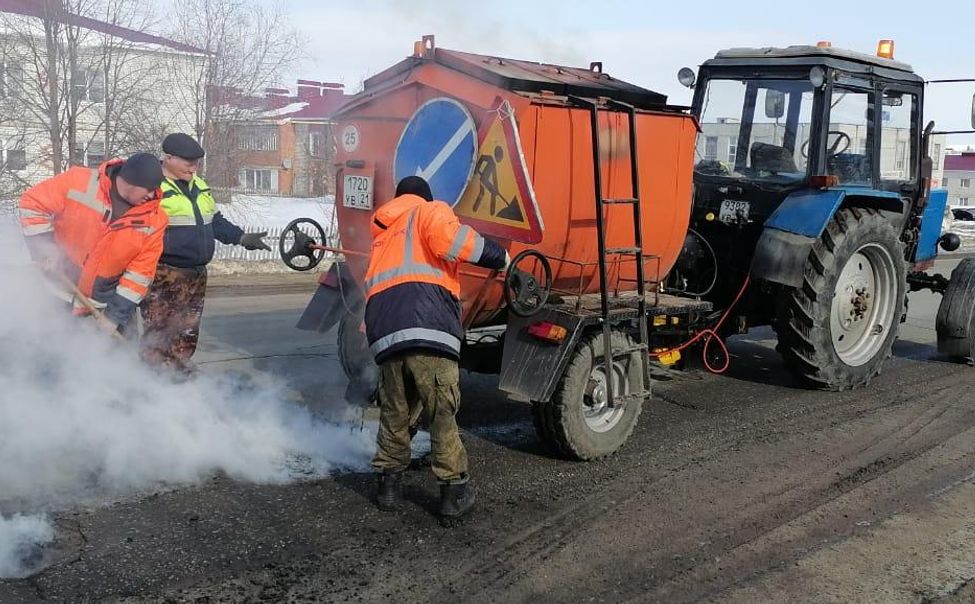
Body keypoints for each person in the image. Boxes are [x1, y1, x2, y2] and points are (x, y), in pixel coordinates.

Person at [365, 175, 509, 519]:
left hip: (385, 332)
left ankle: (388, 486)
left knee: (395, 410)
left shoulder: (383, 236)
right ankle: (453, 492)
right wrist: (500, 256)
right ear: (424, 197)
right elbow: (459, 243)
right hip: (427, 324)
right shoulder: (428, 211)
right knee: (441, 410)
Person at [140, 133, 270, 372]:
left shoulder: (199, 185)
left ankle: (179, 377)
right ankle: (152, 384)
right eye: (188, 162)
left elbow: (215, 221)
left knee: (187, 331)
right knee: (160, 332)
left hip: (197, 274)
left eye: (197, 162)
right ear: (168, 158)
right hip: (165, 274)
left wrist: (241, 237)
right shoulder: (153, 188)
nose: (194, 168)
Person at [19, 153, 167, 334]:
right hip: (55, 297)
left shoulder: (155, 220)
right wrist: (45, 248)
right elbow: (33, 203)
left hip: (102, 307)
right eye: (149, 189)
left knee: (111, 359)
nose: (152, 195)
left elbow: (138, 276)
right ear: (130, 180)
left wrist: (114, 317)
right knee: (50, 356)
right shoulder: (79, 181)